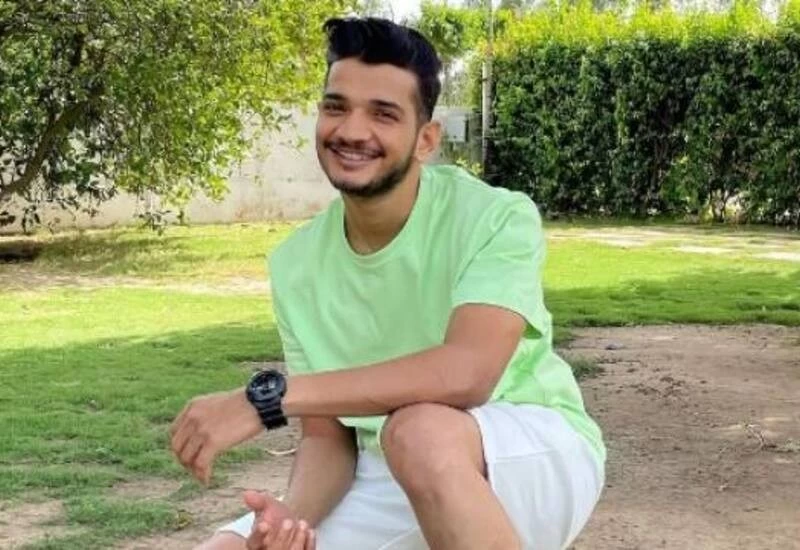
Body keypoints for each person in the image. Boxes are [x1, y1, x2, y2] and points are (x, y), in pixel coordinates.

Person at [170, 17, 605, 550]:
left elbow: (467, 373)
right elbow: (329, 440)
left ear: (425, 139)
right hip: (390, 468)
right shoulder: (296, 264)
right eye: (336, 107)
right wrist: (290, 519)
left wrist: (268, 401)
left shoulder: (495, 217)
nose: (352, 131)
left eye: (383, 114)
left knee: (418, 432)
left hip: (527, 449)